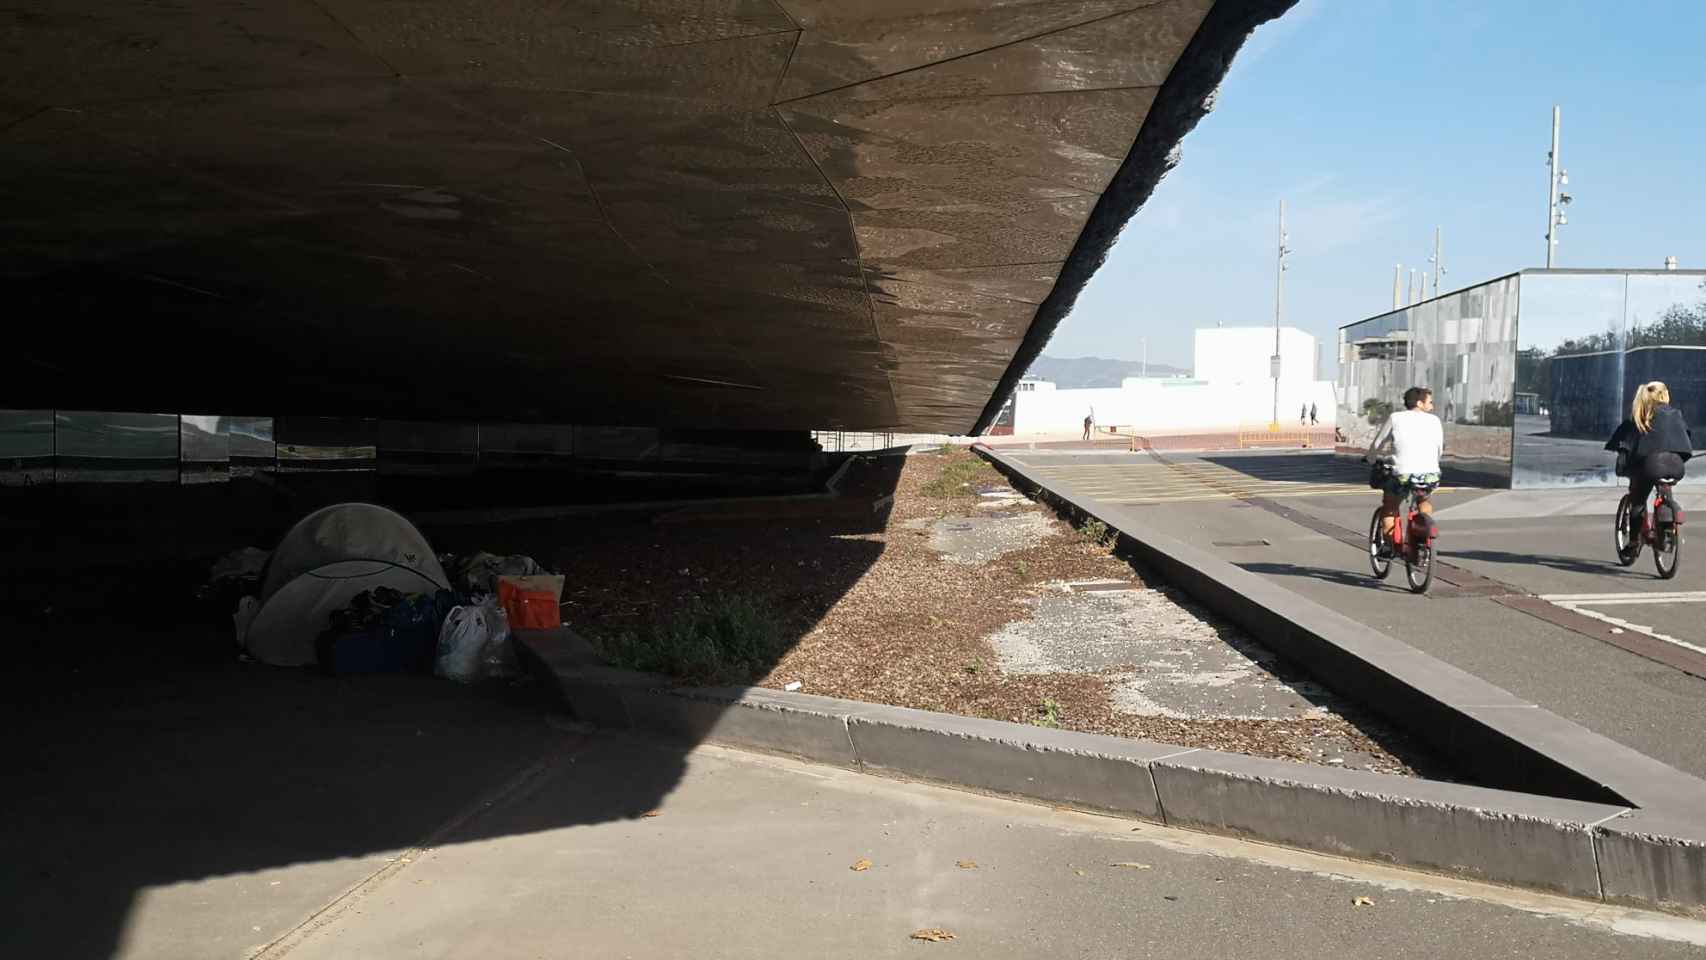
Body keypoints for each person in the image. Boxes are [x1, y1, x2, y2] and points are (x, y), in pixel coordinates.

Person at [1605, 381, 1693, 530]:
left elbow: (1625, 441)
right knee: (1665, 485)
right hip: (1677, 466)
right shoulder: (1676, 414)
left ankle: (1633, 543)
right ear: (1665, 395)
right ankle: (1667, 521)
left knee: (1638, 501)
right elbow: (1686, 436)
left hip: (1651, 466)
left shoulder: (1641, 416)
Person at [1363, 386, 1443, 548]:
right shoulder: (1434, 420)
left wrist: (1371, 459)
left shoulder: (1395, 417)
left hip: (1402, 473)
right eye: (1430, 402)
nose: (1432, 406)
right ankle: (1423, 540)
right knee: (1424, 500)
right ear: (1419, 403)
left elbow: (1378, 443)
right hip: (1430, 474)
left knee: (1391, 506)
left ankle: (1388, 545)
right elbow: (1439, 449)